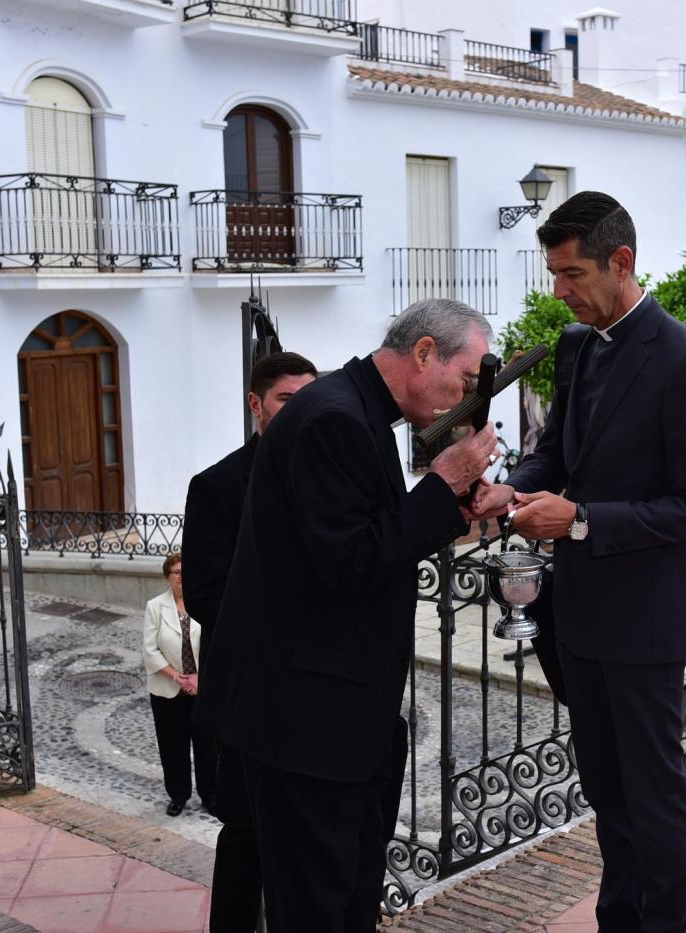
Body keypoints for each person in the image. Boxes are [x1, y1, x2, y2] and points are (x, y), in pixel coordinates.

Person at [195, 298, 498, 931]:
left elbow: (362, 537)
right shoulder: (335, 417)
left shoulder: (353, 408)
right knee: (317, 907)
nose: (462, 398)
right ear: (422, 354)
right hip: (307, 725)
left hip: (330, 716)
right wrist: (441, 486)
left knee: (347, 899)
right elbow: (352, 563)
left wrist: (453, 509)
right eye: (463, 380)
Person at [473, 191, 686, 932]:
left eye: (572, 274)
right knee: (606, 791)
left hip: (648, 624)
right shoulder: (576, 347)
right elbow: (556, 450)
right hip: (578, 618)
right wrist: (509, 490)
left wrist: (580, 519)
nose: (559, 291)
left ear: (622, 262)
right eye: (553, 274)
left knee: (653, 796)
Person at [183, 351, 317, 932]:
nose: (299, 413)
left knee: (312, 829)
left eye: (308, 400)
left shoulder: (331, 473)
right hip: (247, 689)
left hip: (317, 686)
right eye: (289, 400)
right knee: (246, 830)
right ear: (256, 404)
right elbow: (206, 597)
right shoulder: (215, 486)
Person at [142, 550, 214, 818]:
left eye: (186, 572)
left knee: (208, 744)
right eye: (176, 572)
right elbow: (150, 652)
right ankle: (178, 795)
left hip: (202, 689)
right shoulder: (155, 607)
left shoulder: (205, 605)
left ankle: (211, 795)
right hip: (166, 689)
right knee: (173, 746)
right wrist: (176, 676)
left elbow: (216, 646)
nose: (182, 578)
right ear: (167, 576)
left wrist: (200, 678)